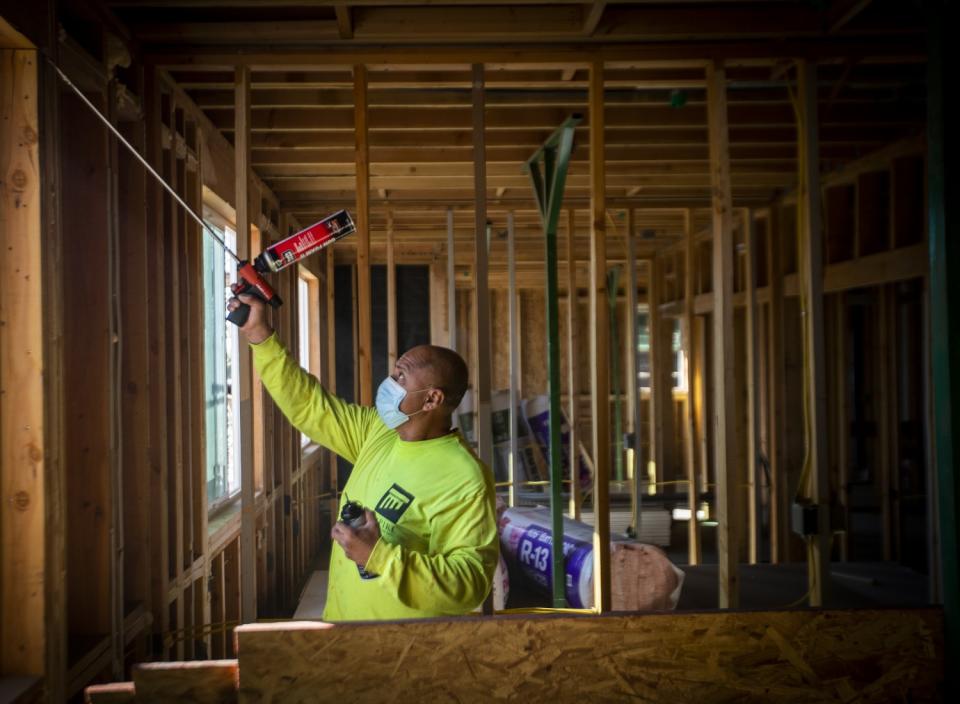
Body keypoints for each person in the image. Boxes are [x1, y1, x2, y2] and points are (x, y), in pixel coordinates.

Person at [228, 287, 498, 621]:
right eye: (393, 373)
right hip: (342, 633)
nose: (389, 383)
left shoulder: (464, 476)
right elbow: (309, 406)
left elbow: (469, 583)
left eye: (401, 377)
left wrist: (378, 557)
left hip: (406, 653)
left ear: (431, 400)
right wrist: (259, 334)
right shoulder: (378, 432)